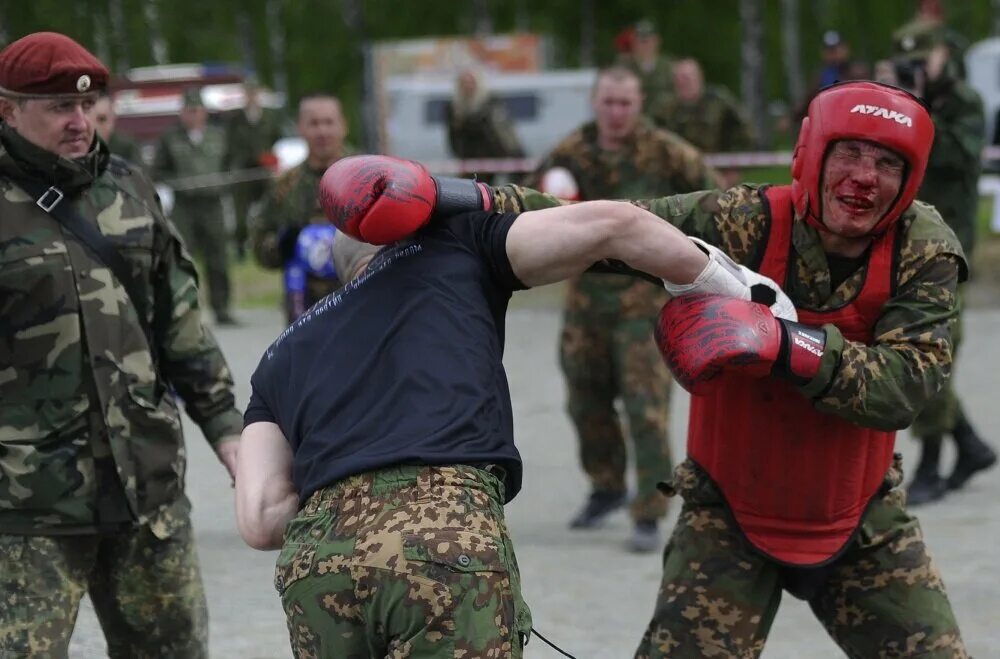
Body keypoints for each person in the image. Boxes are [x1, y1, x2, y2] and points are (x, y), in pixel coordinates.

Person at [382, 80, 970, 657]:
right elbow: (610, 224)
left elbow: (906, 385)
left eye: (887, 163)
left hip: (860, 518)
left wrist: (787, 345)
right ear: (812, 155)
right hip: (727, 517)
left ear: (910, 178)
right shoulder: (749, 219)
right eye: (848, 153)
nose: (864, 177)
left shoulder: (922, 248)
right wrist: (451, 197)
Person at [236, 153, 793, 658]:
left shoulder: (281, 353)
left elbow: (260, 520)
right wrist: (736, 287)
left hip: (317, 562)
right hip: (438, 530)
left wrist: (346, 493)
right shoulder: (450, 248)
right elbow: (615, 224)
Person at [0, 32, 243, 658]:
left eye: (87, 105)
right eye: (58, 107)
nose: (80, 121)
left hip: (147, 492)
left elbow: (180, 323)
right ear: (7, 109)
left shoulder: (130, 191)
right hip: (27, 510)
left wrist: (229, 434)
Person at [525, 65, 724, 552]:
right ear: (596, 103)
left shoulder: (665, 149)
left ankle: (651, 509)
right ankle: (607, 487)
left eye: (626, 103)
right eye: (609, 102)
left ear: (639, 105)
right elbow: (531, 201)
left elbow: (718, 198)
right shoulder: (571, 151)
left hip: (645, 301)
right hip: (586, 299)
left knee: (646, 408)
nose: (616, 112)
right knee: (584, 400)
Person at [890, 22, 996, 504]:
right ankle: (968, 444)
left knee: (932, 347)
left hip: (948, 243)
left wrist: (920, 106)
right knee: (917, 344)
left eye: (923, 60)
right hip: (905, 239)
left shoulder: (966, 104)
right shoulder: (906, 102)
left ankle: (933, 461)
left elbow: (954, 156)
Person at [251, 93, 352, 324]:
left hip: (359, 301)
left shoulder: (367, 176)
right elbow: (259, 246)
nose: (322, 132)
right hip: (304, 309)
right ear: (301, 129)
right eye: (314, 124)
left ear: (343, 126)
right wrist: (282, 246)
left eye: (328, 122)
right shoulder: (285, 187)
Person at [153, 87, 236, 325]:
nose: (193, 115)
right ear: (182, 113)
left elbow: (232, 165)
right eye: (188, 110)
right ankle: (184, 310)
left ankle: (222, 308)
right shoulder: (170, 138)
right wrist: (176, 183)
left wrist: (225, 182)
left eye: (197, 110)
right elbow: (158, 170)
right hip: (185, 206)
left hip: (213, 204)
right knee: (182, 257)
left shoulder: (219, 136)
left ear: (204, 112)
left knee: (218, 257)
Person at [651, 57, 753, 185]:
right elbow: (652, 135)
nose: (682, 82)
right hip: (675, 175)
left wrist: (734, 165)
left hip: (716, 172)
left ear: (699, 77)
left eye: (686, 77)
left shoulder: (719, 101)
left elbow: (744, 132)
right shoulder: (664, 107)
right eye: (678, 78)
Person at [224, 77, 284, 260]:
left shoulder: (269, 117)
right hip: (243, 170)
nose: (251, 97)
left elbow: (276, 136)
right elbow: (230, 144)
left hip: (264, 170)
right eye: (248, 93)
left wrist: (268, 156)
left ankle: (273, 239)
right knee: (240, 211)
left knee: (273, 203)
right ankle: (240, 245)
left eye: (254, 93)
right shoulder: (235, 119)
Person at [445, 68, 525, 160]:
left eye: (471, 82)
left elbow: (504, 129)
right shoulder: (455, 107)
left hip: (494, 152)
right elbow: (454, 133)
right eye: (465, 83)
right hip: (469, 155)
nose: (468, 86)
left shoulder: (491, 102)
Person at [617, 19, 675, 117]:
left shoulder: (668, 66)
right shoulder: (624, 66)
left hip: (663, 119)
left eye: (649, 41)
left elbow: (675, 94)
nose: (645, 45)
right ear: (633, 43)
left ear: (657, 41)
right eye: (641, 41)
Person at [93, 90, 142, 164]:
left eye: (102, 119)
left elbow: (140, 174)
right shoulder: (76, 147)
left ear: (112, 119)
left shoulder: (126, 147)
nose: (95, 126)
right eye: (90, 120)